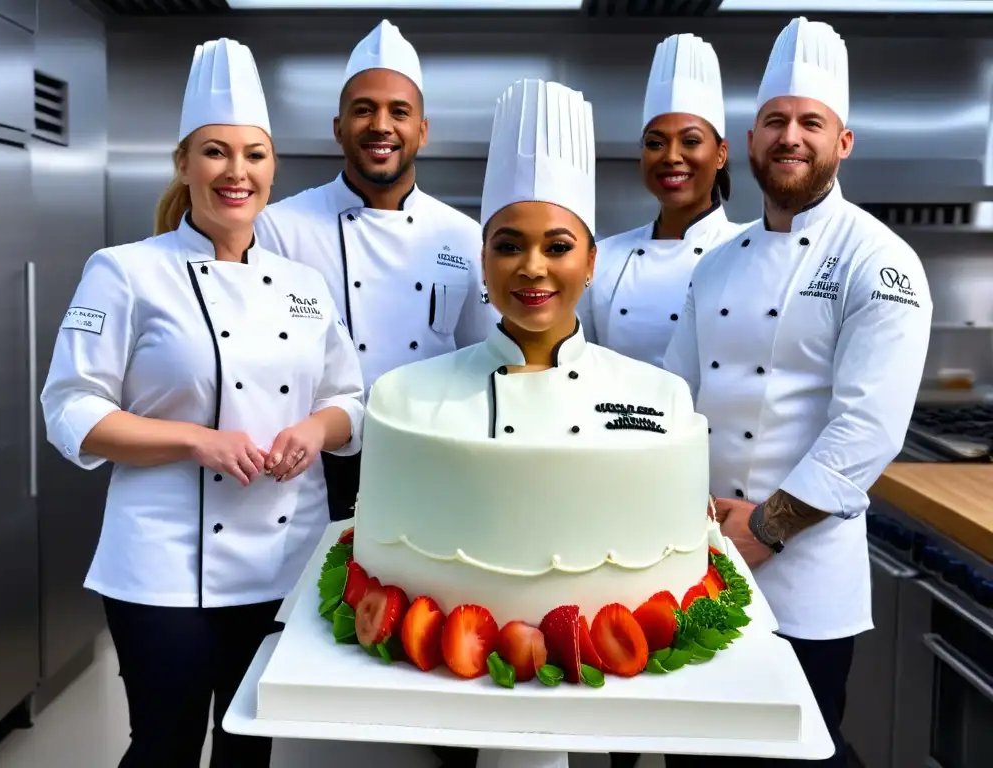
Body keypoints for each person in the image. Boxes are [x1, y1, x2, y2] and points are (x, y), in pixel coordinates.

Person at [40, 38, 364, 768]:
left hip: (284, 557)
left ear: (272, 167)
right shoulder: (124, 272)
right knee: (165, 744)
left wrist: (315, 427)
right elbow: (71, 409)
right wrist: (197, 441)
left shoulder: (304, 286)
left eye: (254, 154)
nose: (237, 172)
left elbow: (350, 399)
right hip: (161, 563)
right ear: (185, 164)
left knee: (250, 749)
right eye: (216, 153)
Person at [366, 77, 695, 768]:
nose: (533, 268)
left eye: (559, 245)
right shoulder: (403, 397)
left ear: (591, 260)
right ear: (483, 263)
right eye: (510, 245)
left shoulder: (659, 398)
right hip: (434, 688)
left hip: (607, 692)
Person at [662, 17, 932, 768]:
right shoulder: (717, 264)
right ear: (749, 142)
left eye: (811, 122)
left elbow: (867, 430)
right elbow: (676, 404)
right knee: (694, 752)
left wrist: (768, 527)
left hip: (804, 578)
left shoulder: (879, 261)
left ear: (842, 143)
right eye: (775, 121)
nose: (790, 137)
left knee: (799, 754)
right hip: (703, 558)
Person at [255, 19, 495, 523]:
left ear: (422, 131)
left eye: (399, 112)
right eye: (363, 109)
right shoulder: (279, 227)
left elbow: (488, 360)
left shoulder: (465, 235)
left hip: (433, 456)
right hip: (312, 465)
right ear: (339, 127)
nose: (381, 125)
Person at [578, 33, 745, 367]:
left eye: (690, 141)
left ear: (721, 154)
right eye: (655, 143)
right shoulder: (604, 258)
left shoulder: (748, 253)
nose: (671, 156)